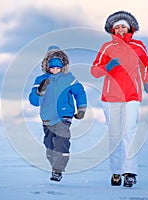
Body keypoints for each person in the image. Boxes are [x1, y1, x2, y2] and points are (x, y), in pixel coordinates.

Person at [90, 11, 148, 187]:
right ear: (112, 29)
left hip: (132, 95)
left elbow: (146, 65)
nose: (120, 29)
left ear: (129, 27)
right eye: (116, 27)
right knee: (115, 135)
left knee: (129, 132)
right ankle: (116, 171)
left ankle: (130, 172)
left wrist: (147, 81)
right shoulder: (107, 48)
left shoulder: (139, 46)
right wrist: (108, 66)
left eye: (123, 26)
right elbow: (94, 71)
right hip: (110, 97)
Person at [29, 45, 87, 182]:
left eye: (58, 67)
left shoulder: (69, 78)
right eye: (52, 67)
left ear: (63, 66)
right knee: (49, 144)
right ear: (46, 66)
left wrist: (81, 109)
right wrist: (39, 92)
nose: (55, 70)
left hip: (64, 116)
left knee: (61, 141)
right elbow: (33, 101)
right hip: (47, 117)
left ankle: (58, 169)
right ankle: (54, 164)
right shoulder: (40, 80)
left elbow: (79, 93)